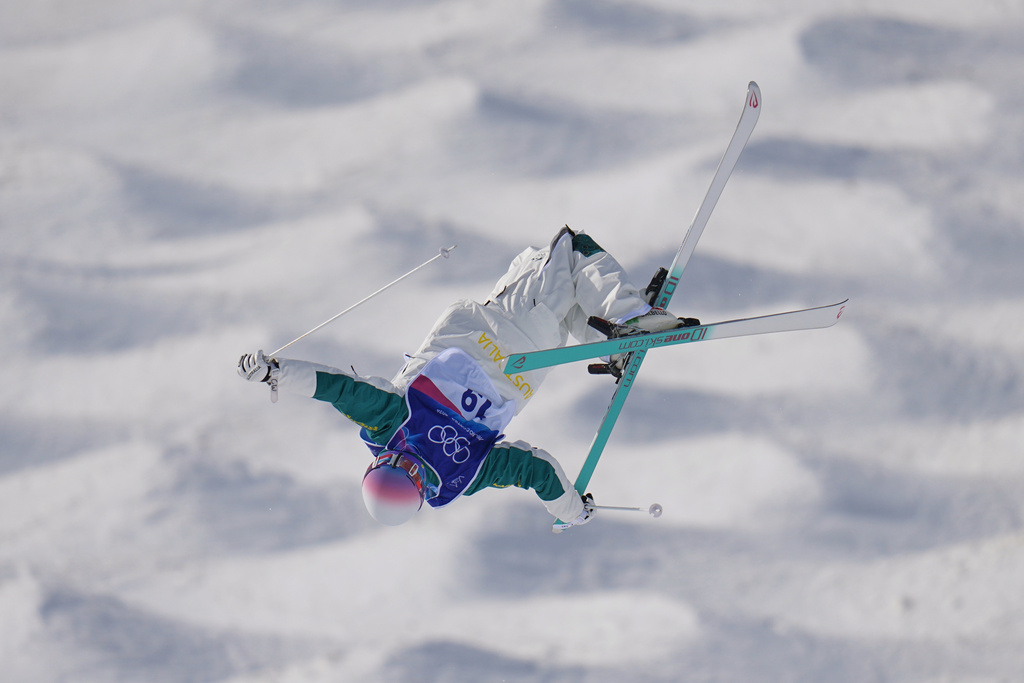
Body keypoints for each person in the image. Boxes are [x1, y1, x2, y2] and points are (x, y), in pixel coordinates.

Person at [238, 227, 697, 529]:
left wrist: (571, 510)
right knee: (573, 252)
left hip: (537, 355)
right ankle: (632, 317)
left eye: (401, 466)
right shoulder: (392, 423)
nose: (413, 462)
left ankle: (620, 331)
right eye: (412, 473)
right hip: (506, 324)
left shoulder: (462, 476)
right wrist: (274, 373)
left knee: (567, 295)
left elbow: (533, 471)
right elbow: (337, 388)